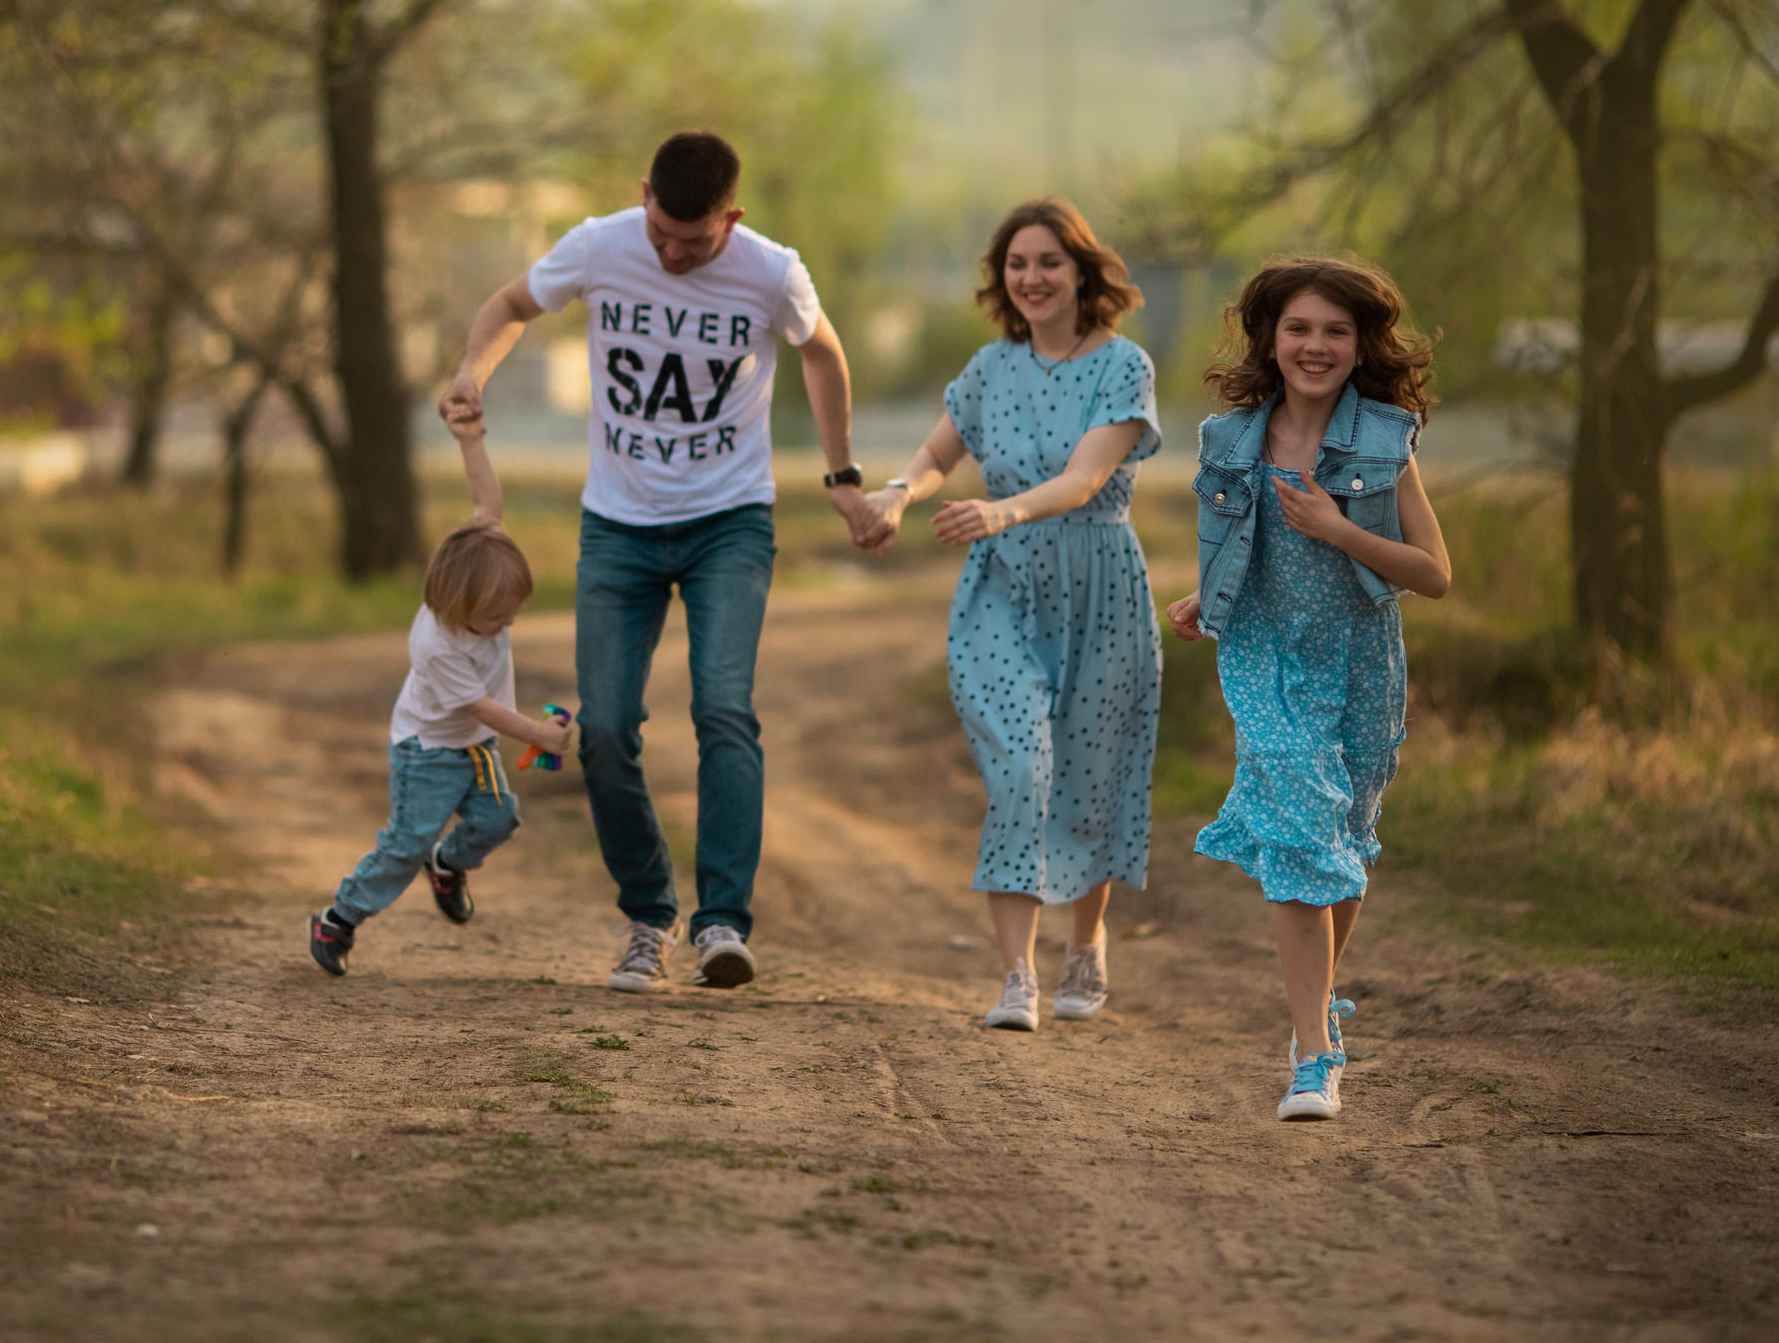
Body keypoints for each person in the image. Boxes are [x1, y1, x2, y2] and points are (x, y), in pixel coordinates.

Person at [439, 131, 882, 993]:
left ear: (733, 217)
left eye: (697, 240)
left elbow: (823, 351)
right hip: (619, 525)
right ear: (643, 194)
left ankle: (723, 920)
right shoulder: (600, 243)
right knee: (602, 728)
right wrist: (470, 372)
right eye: (662, 234)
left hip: (731, 523)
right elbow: (507, 306)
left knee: (722, 706)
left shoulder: (771, 270)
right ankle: (650, 916)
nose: (675, 254)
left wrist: (841, 475)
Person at [858, 197, 1161, 1033]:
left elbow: (1086, 479)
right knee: (1019, 773)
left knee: (1088, 776)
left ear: (1082, 272)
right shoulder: (988, 368)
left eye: (1048, 262)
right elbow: (935, 454)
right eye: (1016, 264)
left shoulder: (1124, 366)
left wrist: (999, 511)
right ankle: (1017, 976)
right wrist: (895, 492)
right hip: (1003, 592)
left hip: (1099, 585)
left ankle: (1086, 945)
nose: (1031, 278)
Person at [1165, 256, 1450, 1122]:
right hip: (1265, 655)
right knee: (1296, 823)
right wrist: (1204, 596)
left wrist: (1338, 526)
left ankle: (1313, 1008)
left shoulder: (1382, 442)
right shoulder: (1230, 441)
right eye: (1298, 328)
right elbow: (1236, 548)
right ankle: (1315, 1058)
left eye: (1334, 330)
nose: (1315, 345)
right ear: (1270, 339)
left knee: (1344, 843)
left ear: (1360, 344)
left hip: (1361, 659)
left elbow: (1433, 574)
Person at [308, 406, 573, 977]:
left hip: (473, 750)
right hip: (426, 753)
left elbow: (487, 505)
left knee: (501, 819)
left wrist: (472, 440)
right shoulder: (438, 646)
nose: (507, 624)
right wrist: (541, 736)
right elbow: (481, 706)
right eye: (497, 618)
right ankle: (339, 917)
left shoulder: (483, 566)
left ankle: (448, 864)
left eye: (513, 612)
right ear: (459, 607)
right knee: (406, 841)